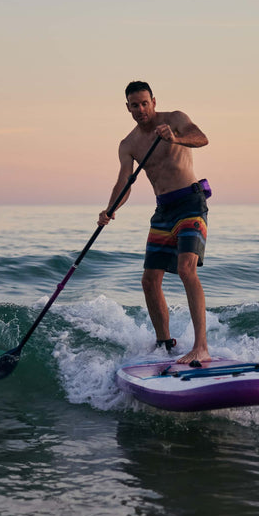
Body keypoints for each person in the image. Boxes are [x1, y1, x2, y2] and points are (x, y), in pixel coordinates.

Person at [98, 81, 211, 366]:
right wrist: (110, 209)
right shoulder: (129, 143)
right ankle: (164, 344)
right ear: (127, 108)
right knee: (149, 281)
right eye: (134, 105)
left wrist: (175, 138)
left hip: (190, 203)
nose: (140, 109)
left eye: (144, 103)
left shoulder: (175, 119)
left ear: (154, 102)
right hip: (163, 211)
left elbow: (202, 138)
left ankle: (201, 347)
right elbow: (125, 181)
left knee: (187, 268)